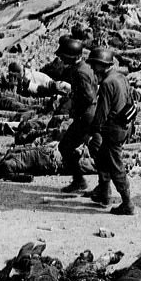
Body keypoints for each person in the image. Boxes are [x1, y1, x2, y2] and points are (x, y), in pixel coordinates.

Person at [85, 47, 135, 216]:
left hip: (112, 130)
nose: (92, 69)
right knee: (99, 154)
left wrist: (92, 130)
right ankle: (104, 193)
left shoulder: (107, 84)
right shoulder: (121, 77)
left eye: (94, 65)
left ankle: (128, 204)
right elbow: (131, 101)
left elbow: (101, 113)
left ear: (102, 65)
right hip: (123, 127)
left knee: (116, 167)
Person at [53, 36, 97, 195]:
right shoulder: (83, 68)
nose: (60, 57)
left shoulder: (80, 72)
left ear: (71, 56)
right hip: (87, 115)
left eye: (63, 55)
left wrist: (76, 107)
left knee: (65, 146)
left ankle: (80, 180)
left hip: (86, 116)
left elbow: (89, 97)